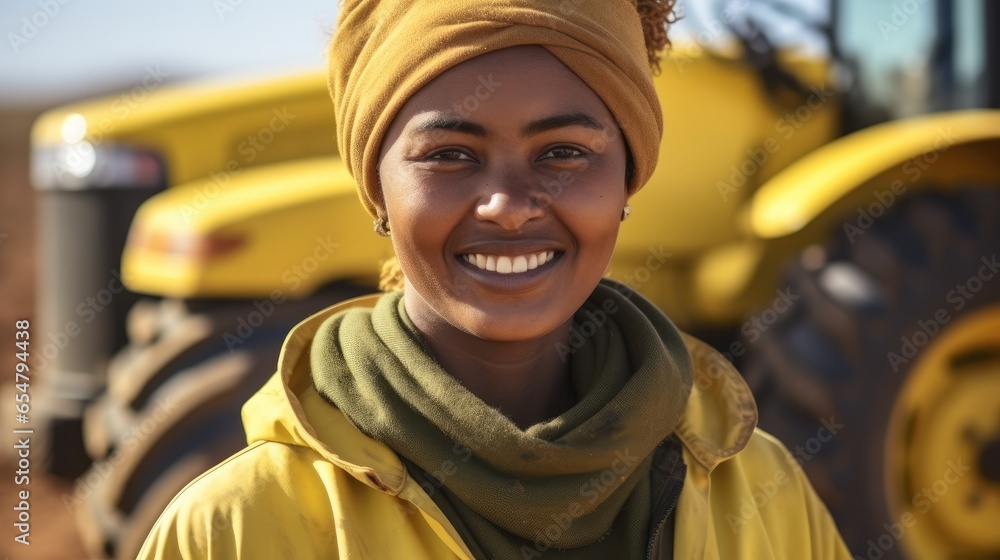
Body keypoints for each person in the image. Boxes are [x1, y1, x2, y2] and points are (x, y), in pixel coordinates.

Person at [138, 0, 853, 558]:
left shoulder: (762, 493)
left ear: (628, 179)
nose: (508, 207)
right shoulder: (235, 529)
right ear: (376, 191)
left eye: (565, 152)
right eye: (450, 155)